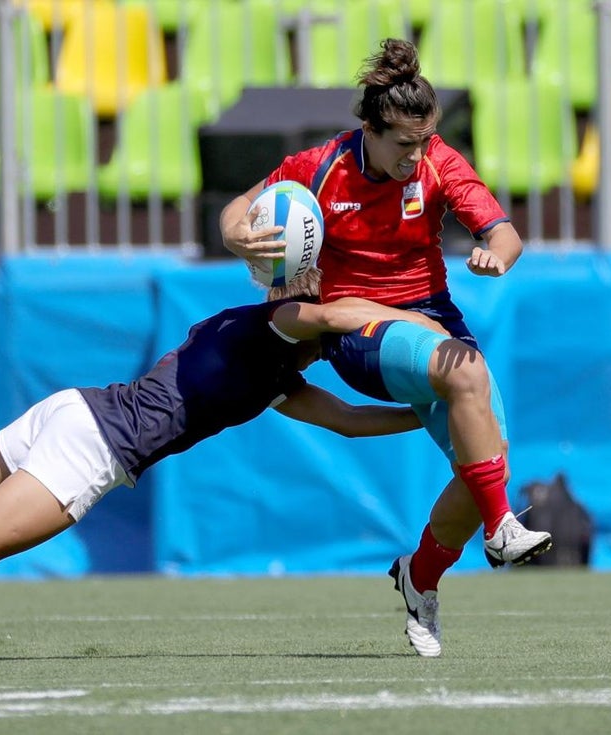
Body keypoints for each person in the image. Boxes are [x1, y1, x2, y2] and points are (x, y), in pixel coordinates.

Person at [0, 273, 444, 590]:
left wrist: (424, 413)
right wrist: (410, 321)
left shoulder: (274, 373)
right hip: (95, 445)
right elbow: (329, 315)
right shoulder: (277, 325)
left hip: (73, 410)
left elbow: (347, 422)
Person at [220, 38, 550, 657]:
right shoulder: (319, 166)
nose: (416, 156)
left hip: (432, 314)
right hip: (356, 332)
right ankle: (504, 529)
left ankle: (419, 578)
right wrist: (240, 234)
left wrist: (494, 258)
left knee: (487, 470)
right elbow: (241, 206)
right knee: (471, 382)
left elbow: (504, 235)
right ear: (368, 129)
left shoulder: (439, 163)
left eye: (424, 142)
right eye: (404, 143)